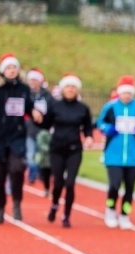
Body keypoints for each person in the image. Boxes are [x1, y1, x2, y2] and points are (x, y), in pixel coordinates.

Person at [0, 52, 43, 224]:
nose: (12, 70)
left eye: (15, 67)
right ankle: (0, 210)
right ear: (2, 70)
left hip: (17, 137)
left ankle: (17, 204)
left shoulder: (23, 89)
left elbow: (30, 106)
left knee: (17, 170)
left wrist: (35, 111)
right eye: (9, 67)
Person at [96, 75, 135, 230]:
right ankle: (111, 210)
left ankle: (125, 214)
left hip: (133, 157)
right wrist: (109, 129)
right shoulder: (110, 107)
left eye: (129, 93)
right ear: (119, 93)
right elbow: (100, 123)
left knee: (129, 188)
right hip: (113, 155)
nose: (126, 95)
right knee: (114, 184)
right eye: (124, 92)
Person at [40, 74, 94, 228]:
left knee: (70, 183)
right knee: (58, 183)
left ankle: (66, 215)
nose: (70, 90)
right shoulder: (55, 106)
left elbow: (88, 127)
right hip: (57, 149)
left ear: (77, 90)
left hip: (74, 149)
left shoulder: (83, 108)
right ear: (62, 89)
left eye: (73, 87)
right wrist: (39, 118)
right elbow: (45, 124)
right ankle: (55, 205)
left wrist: (89, 137)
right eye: (68, 87)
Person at [24, 67, 54, 189]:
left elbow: (52, 110)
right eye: (30, 80)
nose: (32, 82)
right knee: (30, 156)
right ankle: (32, 173)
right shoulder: (25, 94)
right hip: (30, 129)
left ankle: (42, 174)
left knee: (42, 156)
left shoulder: (47, 96)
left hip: (43, 131)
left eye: (35, 80)